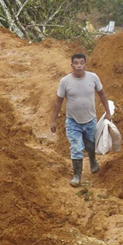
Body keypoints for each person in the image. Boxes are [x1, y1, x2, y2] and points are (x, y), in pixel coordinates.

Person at [49, 53, 111, 187]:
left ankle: (93, 160)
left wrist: (108, 112)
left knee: (90, 144)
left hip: (90, 120)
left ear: (85, 65)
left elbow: (102, 94)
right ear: (71, 65)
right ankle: (77, 175)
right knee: (76, 147)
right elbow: (58, 102)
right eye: (76, 63)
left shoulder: (93, 78)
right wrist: (53, 120)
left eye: (81, 63)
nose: (79, 66)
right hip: (73, 121)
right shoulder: (65, 81)